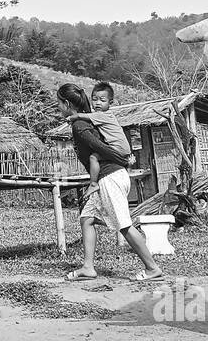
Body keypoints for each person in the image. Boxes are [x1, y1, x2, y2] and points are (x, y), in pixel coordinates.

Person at [58, 84, 163, 281]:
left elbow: (100, 147)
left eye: (59, 103)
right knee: (87, 218)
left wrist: (123, 160)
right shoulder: (90, 120)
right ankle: (88, 267)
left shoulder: (80, 125)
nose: (58, 108)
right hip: (107, 177)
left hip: (110, 178)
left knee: (124, 225)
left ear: (66, 103)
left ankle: (152, 268)